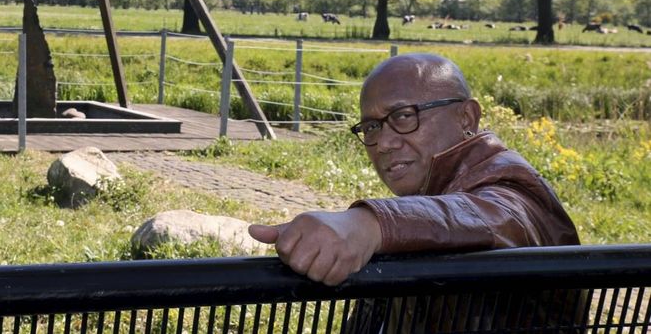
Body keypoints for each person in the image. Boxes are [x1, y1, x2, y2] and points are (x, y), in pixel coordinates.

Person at [249, 53, 582, 331]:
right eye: (371, 127)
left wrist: (369, 225)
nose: (383, 143)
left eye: (405, 116)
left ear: (467, 116)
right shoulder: (421, 209)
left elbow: (491, 216)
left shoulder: (513, 184)